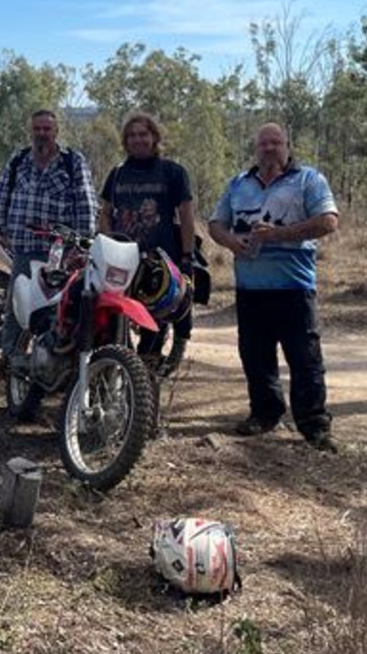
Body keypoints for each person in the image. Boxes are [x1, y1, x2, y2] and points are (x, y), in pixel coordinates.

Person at [208, 122, 339, 451]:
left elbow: (328, 221)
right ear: (256, 148)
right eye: (263, 143)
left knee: (305, 358)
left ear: (287, 146)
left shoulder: (309, 180)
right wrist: (231, 241)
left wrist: (280, 234)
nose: (269, 148)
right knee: (255, 356)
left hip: (294, 287)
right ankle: (265, 414)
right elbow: (215, 224)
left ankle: (314, 425)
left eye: (275, 143)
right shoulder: (238, 184)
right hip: (250, 289)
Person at [0, 109, 96, 368]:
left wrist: (83, 243)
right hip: (24, 249)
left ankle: (56, 361)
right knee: (18, 305)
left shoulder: (73, 162)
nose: (42, 134)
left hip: (62, 253)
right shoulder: (18, 160)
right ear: (31, 131)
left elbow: (86, 203)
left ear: (56, 131)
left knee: (59, 308)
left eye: (47, 129)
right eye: (37, 129)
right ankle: (10, 362)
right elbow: (1, 194)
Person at [98, 112, 196, 371]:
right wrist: (108, 241)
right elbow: (105, 212)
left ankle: (150, 372)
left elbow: (186, 215)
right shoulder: (117, 174)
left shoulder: (172, 172)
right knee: (115, 320)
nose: (137, 140)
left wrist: (187, 257)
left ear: (154, 138)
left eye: (143, 134)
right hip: (122, 260)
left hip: (159, 262)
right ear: (125, 141)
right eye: (131, 136)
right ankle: (124, 372)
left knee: (156, 321)